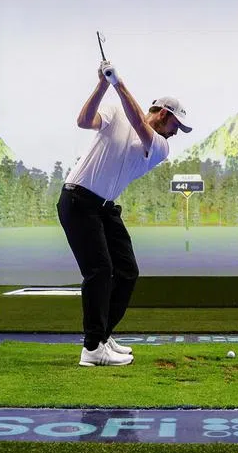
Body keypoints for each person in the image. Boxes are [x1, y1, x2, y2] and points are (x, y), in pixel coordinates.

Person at [58, 60, 191, 367]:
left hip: (104, 209)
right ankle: (92, 348)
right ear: (164, 114)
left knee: (127, 271)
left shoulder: (159, 146)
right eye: (176, 126)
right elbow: (83, 120)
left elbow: (138, 124)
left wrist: (118, 83)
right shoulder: (116, 112)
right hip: (78, 201)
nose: (176, 133)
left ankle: (102, 336)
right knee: (100, 271)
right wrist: (103, 84)